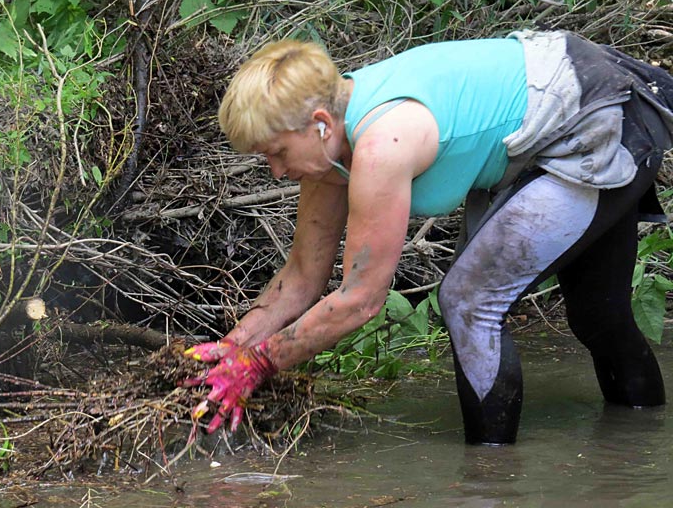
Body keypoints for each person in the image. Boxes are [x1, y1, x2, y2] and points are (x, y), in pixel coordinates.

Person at [183, 29, 673, 444]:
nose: (274, 171)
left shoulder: (382, 143)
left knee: (472, 300)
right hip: (556, 116)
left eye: (276, 153)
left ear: (319, 124)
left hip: (601, 112)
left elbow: (360, 301)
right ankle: (641, 446)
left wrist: (258, 365)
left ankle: (491, 480)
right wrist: (232, 348)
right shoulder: (328, 152)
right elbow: (302, 278)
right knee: (597, 317)